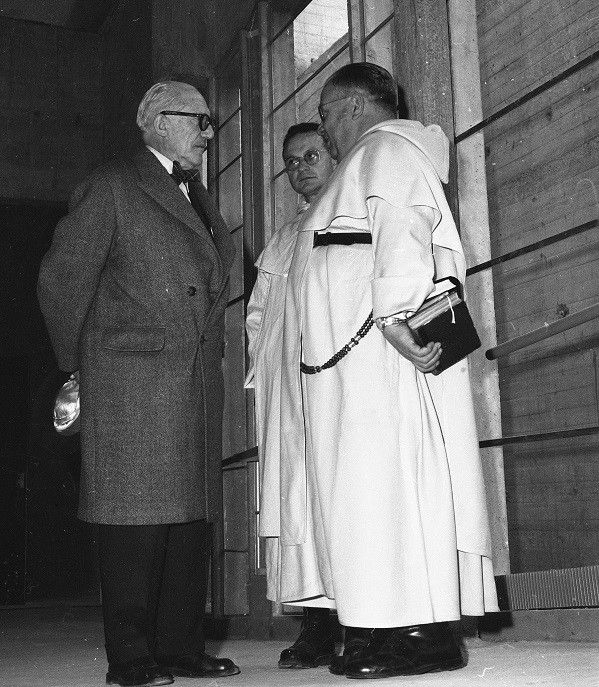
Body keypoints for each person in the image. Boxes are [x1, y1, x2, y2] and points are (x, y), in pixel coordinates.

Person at [278, 62, 499, 679]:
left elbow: (403, 231)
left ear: (350, 106)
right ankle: (377, 628)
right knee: (362, 503)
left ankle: (420, 636)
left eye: (325, 113)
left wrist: (399, 315)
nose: (324, 126)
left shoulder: (390, 153)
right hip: (351, 373)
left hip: (384, 362)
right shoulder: (364, 161)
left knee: (389, 497)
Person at [37, 81, 240, 687]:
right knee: (133, 523)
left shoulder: (196, 196)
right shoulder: (112, 187)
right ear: (152, 121)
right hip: (131, 380)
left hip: (193, 381)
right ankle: (131, 660)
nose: (208, 134)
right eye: (197, 121)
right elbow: (60, 282)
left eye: (209, 123)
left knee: (188, 521)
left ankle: (179, 648)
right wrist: (83, 364)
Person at [245, 123, 337, 669]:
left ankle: (366, 620)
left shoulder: (349, 212)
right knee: (299, 503)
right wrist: (268, 374)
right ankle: (317, 627)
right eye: (291, 161)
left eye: (311, 155)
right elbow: (259, 314)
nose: (301, 167)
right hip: (290, 392)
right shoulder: (284, 234)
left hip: (335, 381)